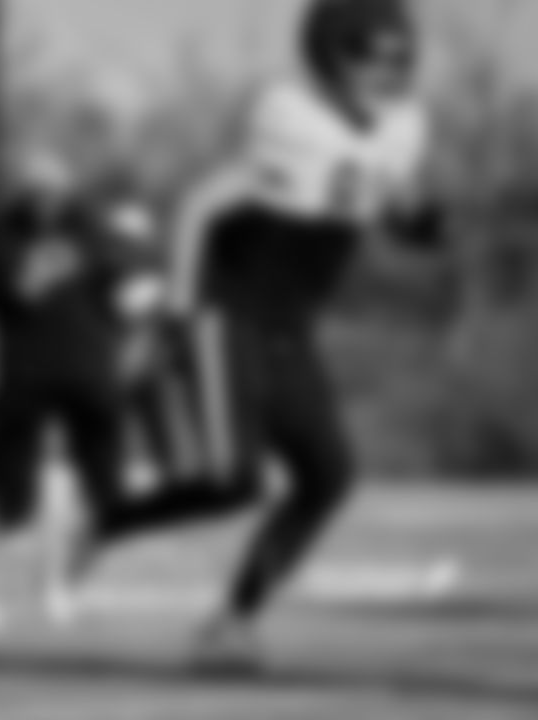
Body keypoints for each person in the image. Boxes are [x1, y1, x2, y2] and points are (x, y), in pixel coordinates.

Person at [68, 0, 439, 670]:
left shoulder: (399, 130)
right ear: (329, 53)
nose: (387, 71)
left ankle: (231, 622)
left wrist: (421, 220)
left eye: (399, 56)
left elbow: (397, 210)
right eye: (370, 53)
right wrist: (177, 316)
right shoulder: (293, 121)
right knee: (230, 480)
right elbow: (199, 206)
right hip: (224, 312)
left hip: (290, 327)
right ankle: (106, 522)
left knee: (328, 475)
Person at [0, 149, 132, 622]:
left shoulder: (91, 228)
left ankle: (77, 563)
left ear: (65, 191)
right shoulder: (3, 232)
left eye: (53, 190)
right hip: (26, 368)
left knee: (108, 485)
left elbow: (121, 278)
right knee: (13, 467)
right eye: (36, 190)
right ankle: (18, 535)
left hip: (88, 364)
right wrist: (25, 278)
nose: (45, 199)